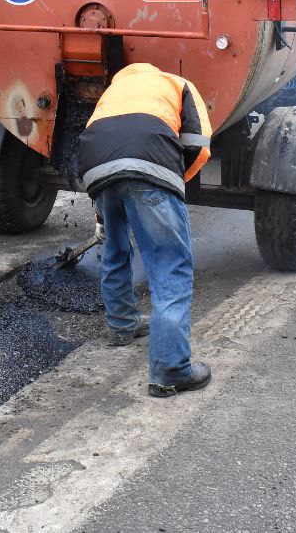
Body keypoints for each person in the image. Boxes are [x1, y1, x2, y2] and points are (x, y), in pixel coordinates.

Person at [78, 63, 213, 397]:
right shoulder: (177, 83)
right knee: (170, 266)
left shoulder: (114, 91)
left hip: (97, 170)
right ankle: (171, 370)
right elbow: (198, 143)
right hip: (149, 165)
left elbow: (94, 140)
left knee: (115, 247)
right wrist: (172, 187)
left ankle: (122, 326)